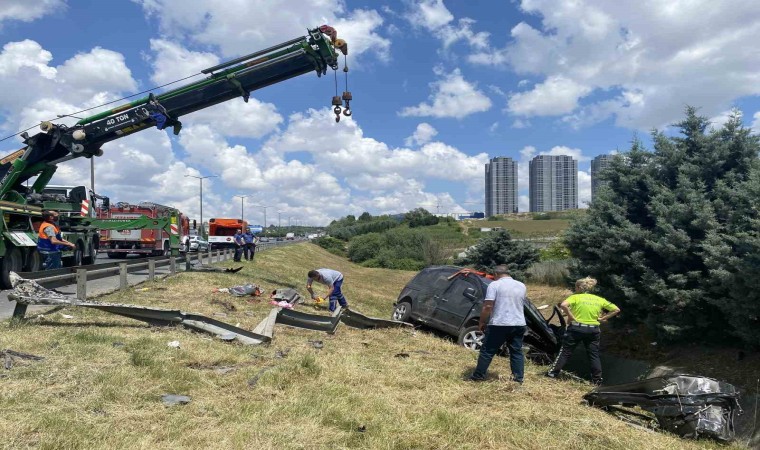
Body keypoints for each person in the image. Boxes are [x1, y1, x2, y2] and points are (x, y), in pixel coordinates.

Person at [546, 277, 620, 385]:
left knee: (565, 352)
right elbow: (616, 309)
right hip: (593, 330)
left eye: (575, 287)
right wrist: (603, 318)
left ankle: (553, 373)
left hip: (577, 328)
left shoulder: (575, 297)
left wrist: (570, 316)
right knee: (593, 354)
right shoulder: (599, 299)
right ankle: (597, 379)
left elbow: (563, 305)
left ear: (578, 287)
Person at [469, 265, 527, 383]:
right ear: (508, 273)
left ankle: (478, 375)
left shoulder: (494, 285)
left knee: (487, 350)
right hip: (519, 323)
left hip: (500, 323)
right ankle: (518, 378)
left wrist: (482, 321)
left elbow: (488, 306)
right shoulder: (521, 285)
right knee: (516, 351)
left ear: (495, 275)